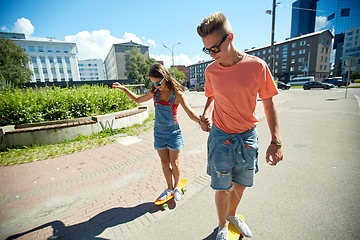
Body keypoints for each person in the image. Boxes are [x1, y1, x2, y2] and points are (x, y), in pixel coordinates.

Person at [197, 12, 284, 239]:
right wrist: (205, 114)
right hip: (220, 136)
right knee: (222, 187)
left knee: (241, 184)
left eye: (215, 48)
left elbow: (269, 103)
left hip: (247, 136)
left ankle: (232, 215)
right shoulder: (210, 71)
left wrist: (276, 141)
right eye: (207, 50)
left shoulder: (257, 66)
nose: (212, 55)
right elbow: (211, 96)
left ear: (230, 37)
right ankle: (222, 227)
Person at [112, 63, 206, 201]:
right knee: (164, 163)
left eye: (158, 82)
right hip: (159, 133)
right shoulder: (154, 92)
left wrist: (201, 121)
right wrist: (124, 88)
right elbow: (138, 100)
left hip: (174, 133)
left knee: (175, 163)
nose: (156, 86)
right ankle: (169, 188)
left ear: (165, 77)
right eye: (153, 83)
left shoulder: (177, 94)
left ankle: (176, 187)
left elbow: (190, 113)